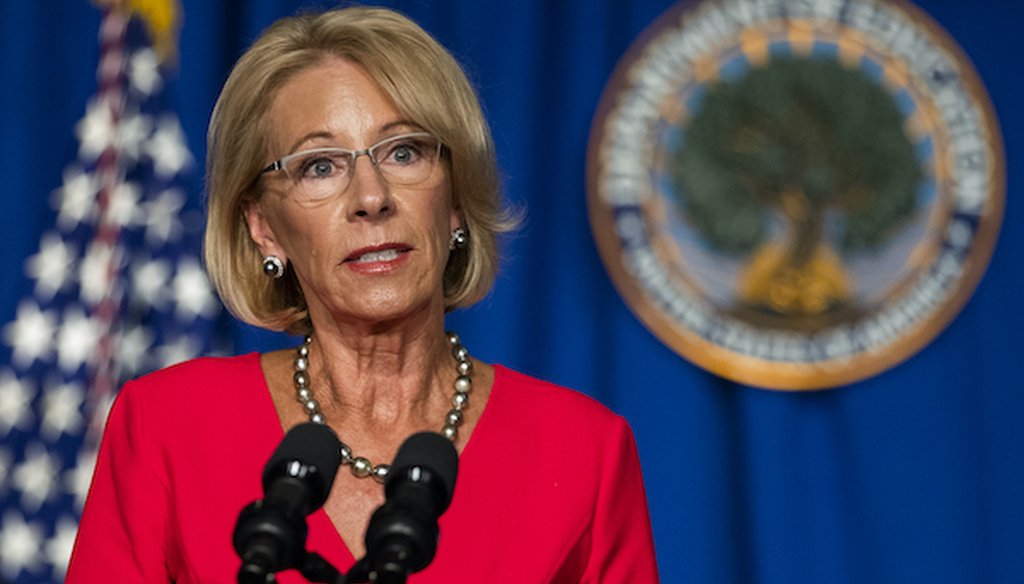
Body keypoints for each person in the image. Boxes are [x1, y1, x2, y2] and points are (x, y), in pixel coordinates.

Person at [66, 6, 659, 583]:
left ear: (454, 201)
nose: (371, 197)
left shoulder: (584, 454)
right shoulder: (167, 427)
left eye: (404, 152)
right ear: (263, 226)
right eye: (320, 166)